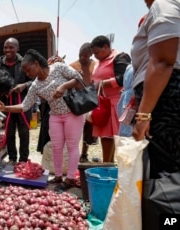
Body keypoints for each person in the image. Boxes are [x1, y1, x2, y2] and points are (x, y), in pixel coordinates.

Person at [0, 49, 91, 191]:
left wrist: (64, 86)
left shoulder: (58, 67)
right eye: (26, 72)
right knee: (56, 147)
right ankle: (58, 176)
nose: (28, 74)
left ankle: (70, 178)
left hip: (72, 112)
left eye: (29, 70)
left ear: (36, 63)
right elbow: (24, 106)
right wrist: (6, 108)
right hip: (55, 115)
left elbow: (78, 78)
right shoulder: (35, 85)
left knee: (72, 147)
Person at [132, 0, 180, 227]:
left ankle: (168, 221)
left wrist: (143, 117)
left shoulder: (163, 5)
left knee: (168, 179)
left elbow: (162, 62)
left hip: (166, 100)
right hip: (163, 98)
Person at [90, 35, 131, 163]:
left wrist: (103, 83)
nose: (95, 56)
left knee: (119, 138)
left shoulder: (119, 57)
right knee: (105, 136)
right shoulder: (99, 62)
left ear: (106, 47)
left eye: (97, 52)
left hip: (116, 103)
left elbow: (124, 78)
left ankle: (120, 167)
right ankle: (107, 164)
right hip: (103, 103)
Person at [0, 37, 32, 164]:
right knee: (9, 133)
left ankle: (23, 160)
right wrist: (3, 91)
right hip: (6, 104)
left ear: (17, 48)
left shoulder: (25, 63)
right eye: (5, 47)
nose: (7, 50)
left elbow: (36, 81)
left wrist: (24, 85)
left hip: (23, 103)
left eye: (11, 47)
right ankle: (12, 158)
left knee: (24, 132)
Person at [70, 43, 98, 162]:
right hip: (77, 100)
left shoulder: (95, 65)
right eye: (81, 55)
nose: (83, 58)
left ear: (91, 55)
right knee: (74, 130)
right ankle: (72, 155)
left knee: (89, 129)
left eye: (86, 56)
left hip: (90, 100)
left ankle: (84, 154)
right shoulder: (72, 66)